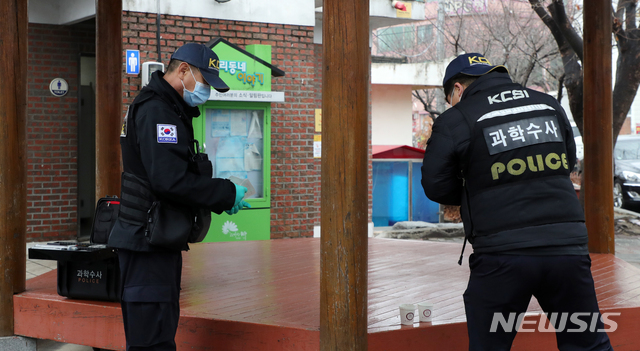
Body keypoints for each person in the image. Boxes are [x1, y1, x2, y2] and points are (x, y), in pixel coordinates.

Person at [421, 53, 613, 350]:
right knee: (587, 344)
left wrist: (478, 188)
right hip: (567, 252)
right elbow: (565, 162)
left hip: (502, 256)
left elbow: (436, 185)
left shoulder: (457, 118)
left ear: (457, 89)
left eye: (449, 98)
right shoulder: (547, 104)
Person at [109, 42, 250, 351]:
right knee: (152, 342)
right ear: (184, 70)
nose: (206, 92)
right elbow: (169, 180)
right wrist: (225, 193)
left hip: (154, 240)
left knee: (158, 335)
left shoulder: (164, 107)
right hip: (146, 243)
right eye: (205, 82)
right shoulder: (157, 110)